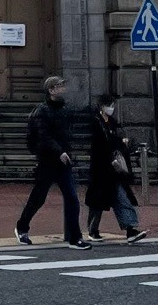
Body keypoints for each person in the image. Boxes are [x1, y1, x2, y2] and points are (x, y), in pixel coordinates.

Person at [16, 76, 90, 249]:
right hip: (47, 161)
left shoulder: (65, 109)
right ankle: (22, 227)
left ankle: (75, 237)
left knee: (72, 198)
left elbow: (67, 133)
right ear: (51, 90)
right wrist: (60, 151)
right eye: (59, 86)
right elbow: (43, 136)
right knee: (38, 198)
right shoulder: (41, 111)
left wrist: (67, 152)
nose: (63, 88)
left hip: (63, 162)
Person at [84, 94, 146, 243]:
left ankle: (130, 229)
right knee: (98, 201)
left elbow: (115, 141)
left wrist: (123, 142)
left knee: (121, 198)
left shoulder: (112, 123)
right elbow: (98, 146)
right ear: (102, 106)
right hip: (101, 169)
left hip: (113, 169)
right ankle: (93, 230)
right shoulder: (96, 123)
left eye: (112, 105)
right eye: (109, 105)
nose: (111, 108)